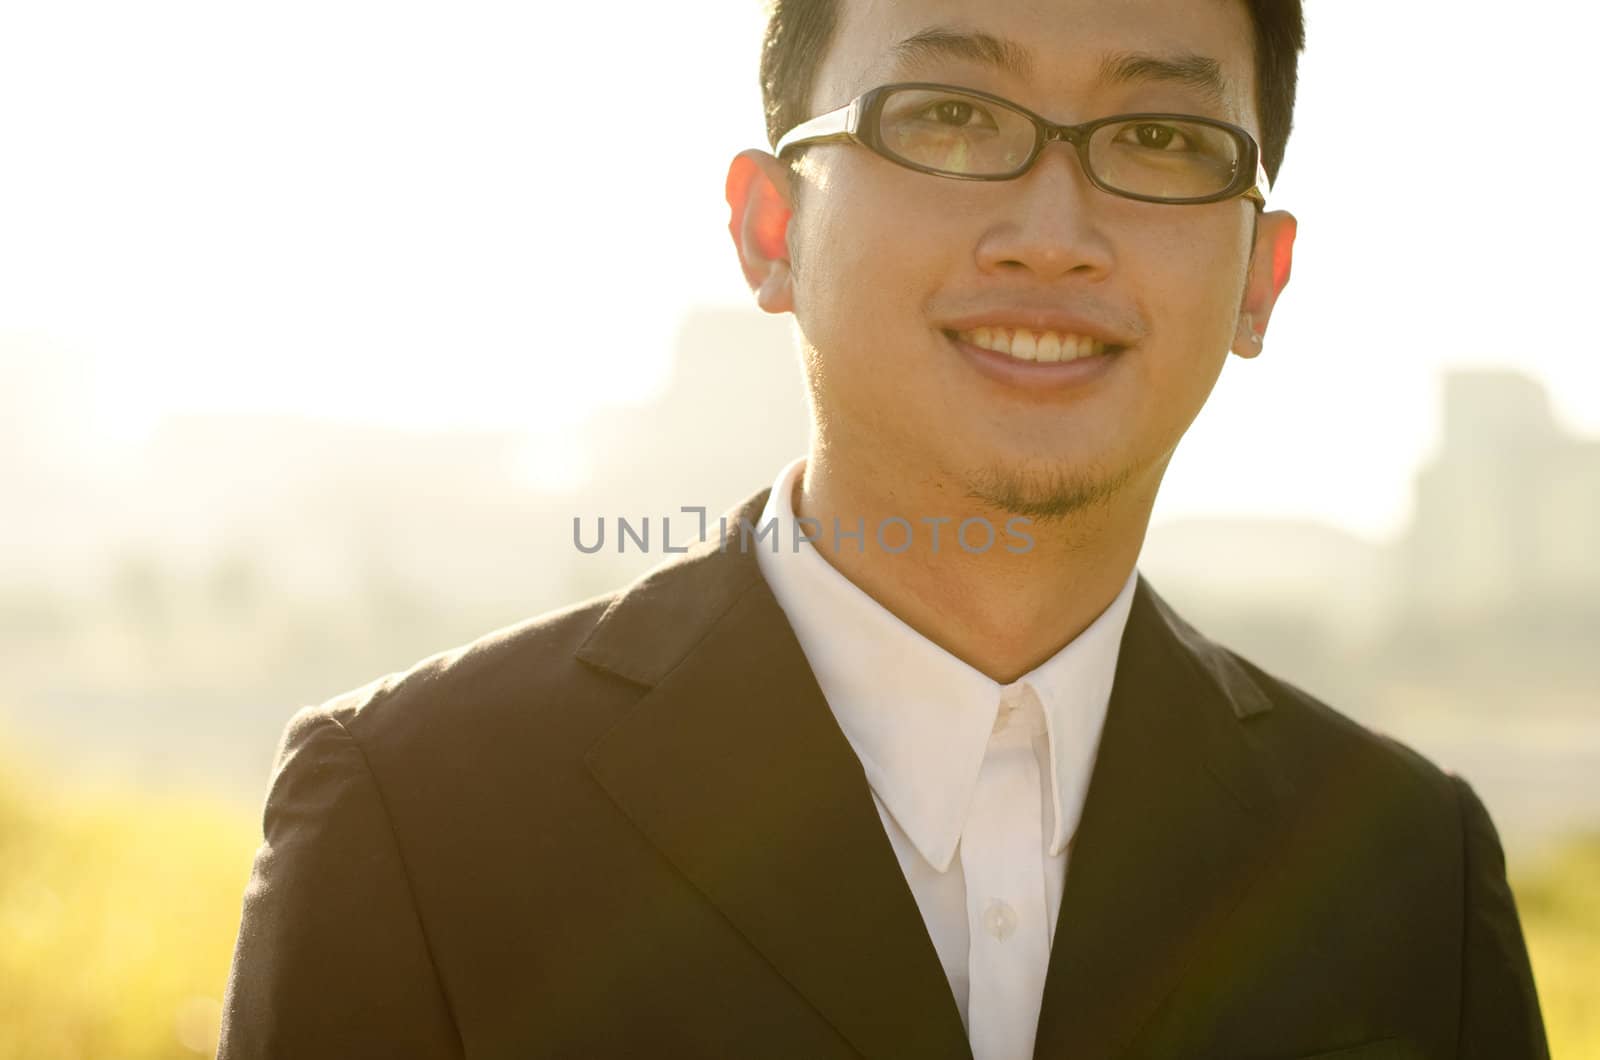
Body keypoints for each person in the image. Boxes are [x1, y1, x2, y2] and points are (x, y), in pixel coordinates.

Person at [217, 0, 1552, 1057]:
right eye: (952, 115)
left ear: (1260, 278)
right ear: (768, 229)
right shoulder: (417, 815)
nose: (1053, 235)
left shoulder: (1405, 871)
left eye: (1160, 139)